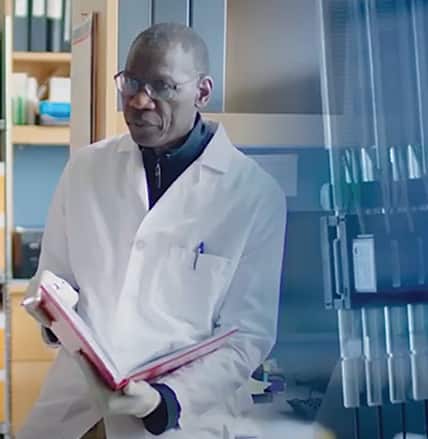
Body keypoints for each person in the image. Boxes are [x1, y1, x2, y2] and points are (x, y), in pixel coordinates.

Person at [20, 22, 287, 439]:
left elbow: (247, 336)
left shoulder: (253, 194)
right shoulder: (86, 169)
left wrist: (164, 399)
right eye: (131, 83)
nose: (140, 101)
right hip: (76, 410)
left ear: (202, 92)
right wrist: (52, 308)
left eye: (162, 86)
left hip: (179, 419)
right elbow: (56, 275)